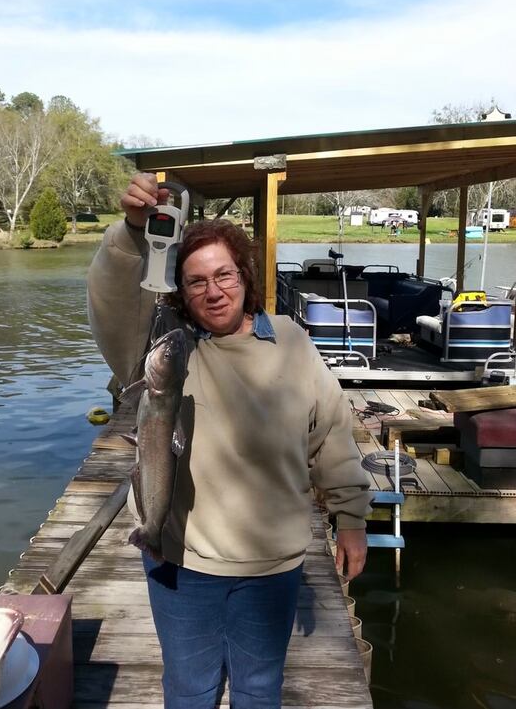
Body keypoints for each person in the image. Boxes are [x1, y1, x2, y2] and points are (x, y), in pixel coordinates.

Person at [87, 172, 371, 709]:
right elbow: (112, 300)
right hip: (184, 565)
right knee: (191, 692)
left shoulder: (291, 341)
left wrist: (352, 519)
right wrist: (130, 231)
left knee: (259, 690)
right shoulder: (163, 351)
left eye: (224, 275)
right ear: (180, 292)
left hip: (273, 567)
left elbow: (332, 435)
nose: (213, 290)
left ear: (244, 275)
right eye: (195, 282)